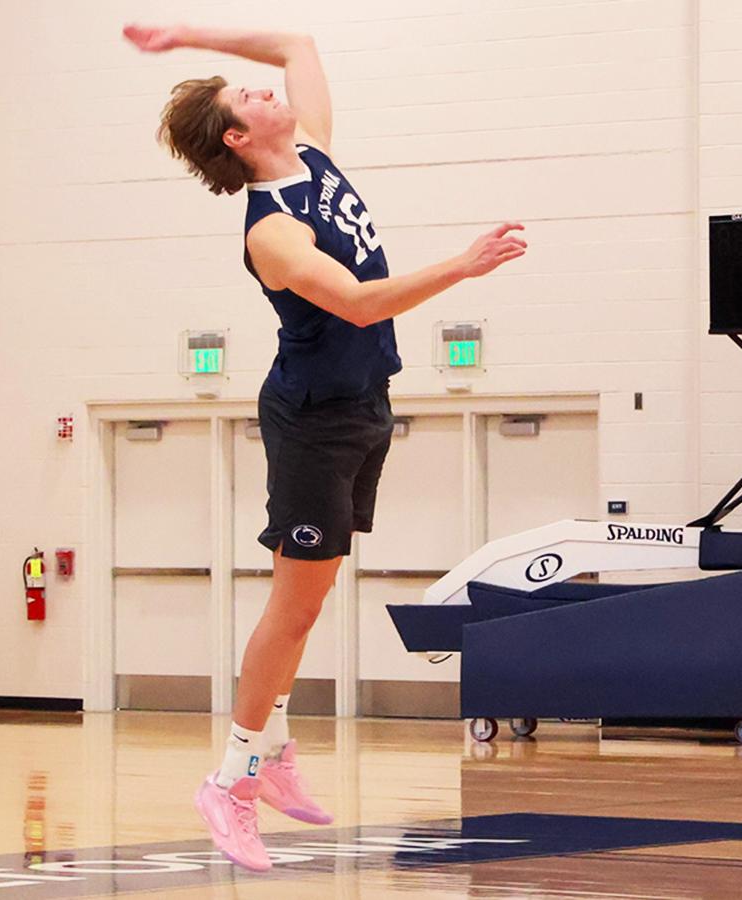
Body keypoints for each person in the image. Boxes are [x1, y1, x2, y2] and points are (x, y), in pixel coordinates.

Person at [123, 22, 528, 872]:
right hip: (313, 417)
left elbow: (295, 42)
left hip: (365, 405)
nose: (266, 89)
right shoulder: (271, 230)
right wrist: (462, 266)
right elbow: (360, 303)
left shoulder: (312, 152)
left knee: (308, 601)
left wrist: (178, 35)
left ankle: (272, 752)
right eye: (247, 96)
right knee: (295, 606)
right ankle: (233, 781)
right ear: (238, 138)